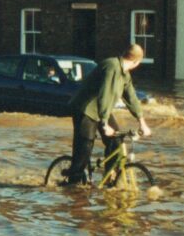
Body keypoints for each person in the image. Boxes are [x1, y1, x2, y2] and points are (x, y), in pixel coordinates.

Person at [63, 43, 151, 185]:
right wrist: (104, 123)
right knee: (85, 145)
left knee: (116, 142)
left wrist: (142, 122)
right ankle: (73, 184)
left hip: (102, 110)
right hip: (86, 109)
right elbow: (106, 95)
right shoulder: (112, 67)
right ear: (137, 62)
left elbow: (131, 97)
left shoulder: (125, 74)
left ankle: (109, 178)